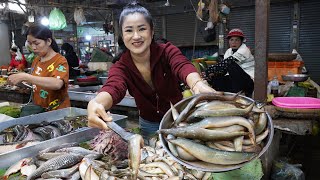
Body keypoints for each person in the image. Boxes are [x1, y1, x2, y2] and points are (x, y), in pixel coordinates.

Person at [87, 3, 216, 138]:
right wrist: (96, 103)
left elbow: (182, 65)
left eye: (142, 29)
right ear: (122, 35)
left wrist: (197, 84)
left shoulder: (166, 51)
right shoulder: (121, 67)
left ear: (152, 31)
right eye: (129, 30)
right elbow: (113, 87)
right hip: (148, 124)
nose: (136, 36)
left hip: (179, 119)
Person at [8, 24, 70, 111]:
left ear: (48, 41)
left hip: (57, 111)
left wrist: (25, 76)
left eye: (36, 43)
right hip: (39, 109)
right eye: (29, 43)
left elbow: (57, 84)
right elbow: (35, 82)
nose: (33, 48)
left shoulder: (60, 60)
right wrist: (20, 82)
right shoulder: (37, 60)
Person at [205, 28, 254, 97]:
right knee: (215, 78)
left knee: (230, 63)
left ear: (241, 41)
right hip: (235, 81)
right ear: (229, 41)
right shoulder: (228, 51)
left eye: (237, 40)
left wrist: (210, 69)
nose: (234, 42)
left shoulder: (244, 50)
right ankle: (227, 94)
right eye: (231, 40)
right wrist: (213, 74)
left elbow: (227, 63)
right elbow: (224, 69)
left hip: (249, 81)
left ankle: (244, 93)